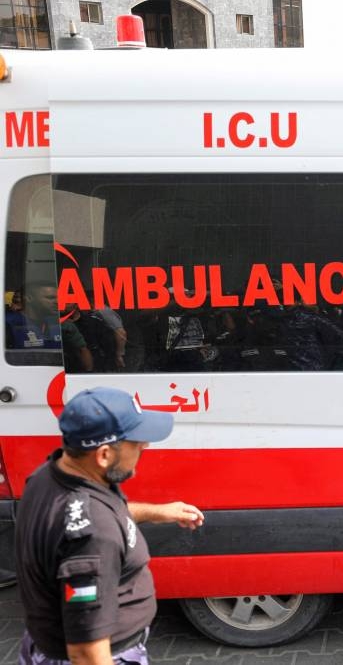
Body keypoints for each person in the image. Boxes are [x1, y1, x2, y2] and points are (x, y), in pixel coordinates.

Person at [14, 387, 205, 665]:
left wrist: (156, 512)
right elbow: (87, 653)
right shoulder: (92, 537)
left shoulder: (48, 476)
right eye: (136, 441)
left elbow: (94, 515)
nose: (145, 446)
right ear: (103, 455)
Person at [5, 282, 61, 349]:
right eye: (50, 298)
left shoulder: (59, 324)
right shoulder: (8, 324)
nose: (58, 301)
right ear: (29, 298)